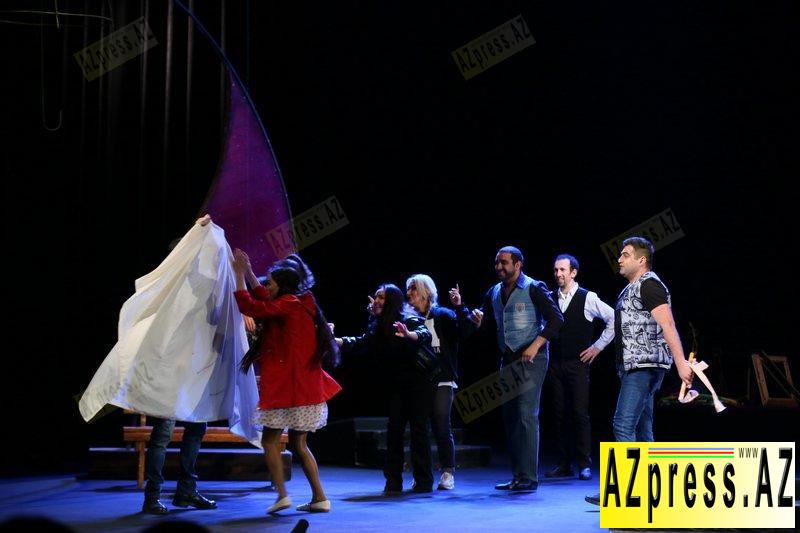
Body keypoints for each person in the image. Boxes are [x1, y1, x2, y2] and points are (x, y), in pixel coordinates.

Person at [585, 237, 692, 505]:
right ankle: (649, 489)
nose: (619, 259)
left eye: (625, 255)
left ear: (641, 260)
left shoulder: (650, 285)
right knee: (643, 430)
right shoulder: (630, 288)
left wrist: (681, 362)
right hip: (633, 367)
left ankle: (626, 490)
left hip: (644, 367)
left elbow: (668, 325)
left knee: (622, 424)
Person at [233, 250, 342, 514]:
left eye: (270, 283)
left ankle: (282, 495)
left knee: (270, 441)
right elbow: (265, 298)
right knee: (299, 445)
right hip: (305, 388)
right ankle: (320, 498)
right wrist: (249, 273)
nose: (266, 286)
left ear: (282, 286)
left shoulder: (288, 304)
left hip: (291, 388)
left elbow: (251, 307)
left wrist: (238, 276)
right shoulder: (299, 301)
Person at [466, 246, 564, 492]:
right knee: (510, 417)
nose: (499, 266)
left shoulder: (534, 287)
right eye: (497, 262)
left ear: (518, 264)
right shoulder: (494, 291)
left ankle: (529, 477)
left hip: (532, 358)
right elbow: (487, 323)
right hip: (508, 357)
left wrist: (536, 345)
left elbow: (556, 319)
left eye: (504, 262)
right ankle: (518, 476)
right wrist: (477, 320)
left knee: (525, 414)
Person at [142, 215, 219, 515]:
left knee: (196, 430)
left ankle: (186, 491)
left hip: (196, 371)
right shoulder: (168, 289)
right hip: (170, 372)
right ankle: (152, 495)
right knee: (162, 435)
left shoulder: (204, 288)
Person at [335, 284, 434, 493]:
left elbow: (425, 333)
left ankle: (424, 481)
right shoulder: (378, 324)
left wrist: (409, 335)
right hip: (397, 384)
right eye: (376, 297)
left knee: (418, 431)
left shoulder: (406, 318)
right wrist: (337, 341)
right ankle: (393, 481)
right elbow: (362, 342)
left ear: (391, 301)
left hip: (418, 382)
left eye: (381, 298)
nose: (377, 301)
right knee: (394, 431)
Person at [545, 254, 615, 482]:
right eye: (556, 270)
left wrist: (597, 347)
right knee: (558, 413)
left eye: (562, 270)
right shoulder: (550, 297)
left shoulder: (587, 297)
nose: (558, 274)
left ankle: (584, 463)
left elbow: (614, 318)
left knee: (579, 413)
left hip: (578, 364)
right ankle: (563, 463)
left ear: (573, 273)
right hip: (555, 363)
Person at [405, 275, 474, 490]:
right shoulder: (409, 318)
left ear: (426, 292)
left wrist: (460, 307)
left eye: (413, 289)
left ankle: (448, 471)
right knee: (419, 428)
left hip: (442, 377)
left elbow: (464, 331)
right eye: (408, 289)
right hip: (419, 379)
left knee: (441, 424)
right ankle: (422, 474)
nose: (409, 293)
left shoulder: (442, 314)